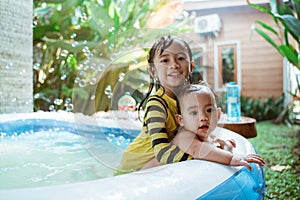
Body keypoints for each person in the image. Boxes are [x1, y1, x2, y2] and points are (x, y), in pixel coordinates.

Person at [171, 82, 265, 170]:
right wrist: (232, 158)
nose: (203, 117)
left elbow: (213, 149)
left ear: (218, 114)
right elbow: (199, 150)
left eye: (209, 110)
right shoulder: (183, 137)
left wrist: (225, 144)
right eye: (194, 112)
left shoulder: (209, 136)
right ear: (181, 120)